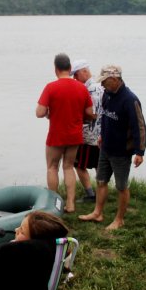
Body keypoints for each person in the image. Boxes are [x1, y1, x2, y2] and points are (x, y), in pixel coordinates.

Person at [78, 65, 146, 231]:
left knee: (121, 186)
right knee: (101, 181)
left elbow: (140, 127)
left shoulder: (130, 100)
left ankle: (119, 219)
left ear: (115, 80)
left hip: (122, 151)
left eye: (105, 82)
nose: (102, 85)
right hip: (105, 147)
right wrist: (101, 135)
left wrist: (140, 152)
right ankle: (97, 213)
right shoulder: (107, 95)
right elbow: (105, 118)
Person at [36, 53, 95, 213]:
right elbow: (90, 112)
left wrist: (49, 111)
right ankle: (70, 204)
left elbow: (39, 112)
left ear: (56, 69)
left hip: (56, 134)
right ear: (70, 69)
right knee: (68, 167)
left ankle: (54, 204)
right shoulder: (82, 88)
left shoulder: (51, 87)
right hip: (75, 135)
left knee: (52, 167)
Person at [70, 59, 103, 203]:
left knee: (79, 165)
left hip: (89, 136)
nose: (74, 79)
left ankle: (91, 195)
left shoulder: (91, 90)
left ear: (84, 72)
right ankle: (102, 192)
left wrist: (76, 115)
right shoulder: (101, 86)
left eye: (76, 75)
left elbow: (93, 114)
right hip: (101, 135)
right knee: (99, 165)